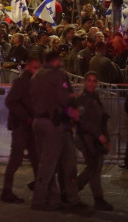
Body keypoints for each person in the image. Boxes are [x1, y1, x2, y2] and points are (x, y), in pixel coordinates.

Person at [29, 51, 77, 211]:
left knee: (47, 161)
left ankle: (55, 197)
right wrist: (72, 97)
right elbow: (63, 99)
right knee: (50, 165)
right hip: (53, 123)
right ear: (55, 61)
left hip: (38, 121)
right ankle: (39, 199)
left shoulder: (35, 76)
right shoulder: (58, 75)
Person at [1, 56, 40, 204]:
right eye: (35, 67)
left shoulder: (33, 82)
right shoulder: (21, 82)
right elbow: (10, 101)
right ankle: (6, 191)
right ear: (29, 67)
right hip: (21, 126)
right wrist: (26, 116)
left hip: (29, 126)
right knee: (16, 160)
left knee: (36, 159)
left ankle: (39, 187)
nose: (37, 70)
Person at [75, 72, 113, 211]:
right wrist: (99, 135)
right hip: (85, 138)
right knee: (94, 168)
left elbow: (102, 119)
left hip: (95, 138)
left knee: (93, 167)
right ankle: (98, 199)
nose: (91, 83)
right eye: (89, 81)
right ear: (85, 82)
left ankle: (71, 191)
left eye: (94, 81)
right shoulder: (82, 99)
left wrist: (105, 138)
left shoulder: (94, 97)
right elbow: (83, 122)